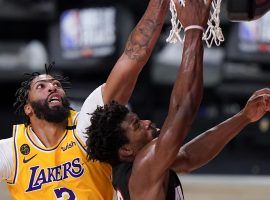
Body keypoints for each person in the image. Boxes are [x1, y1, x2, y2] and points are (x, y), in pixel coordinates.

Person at [86, 2, 270, 200]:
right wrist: (193, 29)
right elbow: (184, 109)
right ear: (126, 150)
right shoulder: (143, 168)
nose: (147, 122)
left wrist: (244, 117)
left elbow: (188, 158)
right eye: (137, 125)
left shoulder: (140, 168)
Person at [0, 0, 170, 199]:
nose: (52, 87)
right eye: (41, 86)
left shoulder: (87, 125)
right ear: (28, 108)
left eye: (56, 85)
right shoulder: (12, 151)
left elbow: (135, 55)